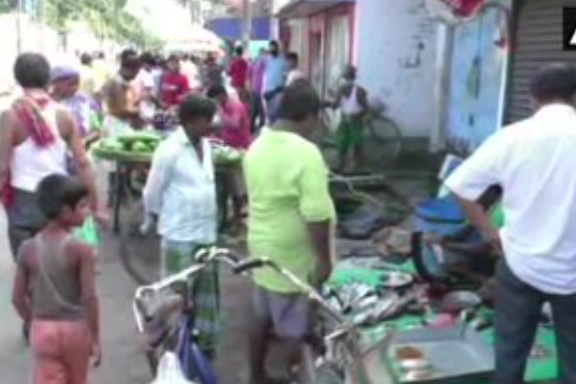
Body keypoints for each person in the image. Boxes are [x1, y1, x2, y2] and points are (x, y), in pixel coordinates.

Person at [446, 63, 576, 384]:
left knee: (509, 355)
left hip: (519, 263)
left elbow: (459, 187)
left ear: (533, 99)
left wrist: (489, 232)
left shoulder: (511, 138)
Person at [244, 79, 335, 384]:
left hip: (259, 250)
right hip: (293, 258)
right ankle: (293, 376)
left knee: (261, 317)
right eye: (315, 120)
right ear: (308, 115)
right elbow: (317, 215)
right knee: (298, 329)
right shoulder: (306, 153)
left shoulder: (257, 145)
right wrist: (323, 259)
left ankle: (256, 375)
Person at [0, 53, 104, 262]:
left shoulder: (10, 117)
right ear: (48, 79)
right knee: (58, 262)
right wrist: (95, 203)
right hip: (58, 198)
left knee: (27, 264)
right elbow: (82, 163)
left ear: (18, 78)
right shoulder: (64, 115)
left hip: (23, 202)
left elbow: (2, 168)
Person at [142, 95, 220, 358]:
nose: (211, 124)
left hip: (206, 234)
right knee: (176, 295)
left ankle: (202, 345)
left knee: (206, 295)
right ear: (190, 121)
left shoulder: (207, 145)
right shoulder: (169, 149)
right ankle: (170, 346)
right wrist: (152, 217)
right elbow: (153, 191)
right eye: (206, 120)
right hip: (179, 233)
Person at [12, 174, 101, 384]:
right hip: (75, 329)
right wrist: (95, 338)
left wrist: (34, 321)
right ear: (66, 212)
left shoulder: (27, 249)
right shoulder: (81, 249)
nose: (87, 211)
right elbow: (89, 297)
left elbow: (17, 299)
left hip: (42, 330)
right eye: (82, 206)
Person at [207, 84, 252, 231]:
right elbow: (223, 126)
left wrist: (220, 112)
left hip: (240, 150)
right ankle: (232, 218)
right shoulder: (225, 106)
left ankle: (239, 218)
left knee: (238, 188)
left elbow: (234, 123)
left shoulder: (235, 105)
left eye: (215, 100)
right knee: (228, 186)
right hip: (229, 150)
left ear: (221, 96)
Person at [50, 66, 101, 148]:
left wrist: (85, 141)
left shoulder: (86, 103)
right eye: (70, 84)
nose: (75, 87)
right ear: (55, 84)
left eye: (77, 83)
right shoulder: (45, 103)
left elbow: (97, 130)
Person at [99, 49, 144, 137]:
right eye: (135, 73)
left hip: (118, 124)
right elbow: (119, 110)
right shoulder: (117, 83)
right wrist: (137, 113)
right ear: (127, 69)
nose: (135, 76)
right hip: (115, 125)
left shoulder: (120, 82)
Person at [332, 65, 369, 172]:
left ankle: (346, 167)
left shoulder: (347, 90)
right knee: (352, 145)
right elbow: (365, 108)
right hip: (351, 121)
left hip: (352, 121)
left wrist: (331, 104)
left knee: (347, 145)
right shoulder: (359, 91)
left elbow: (335, 105)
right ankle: (354, 168)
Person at [262, 41, 287, 124]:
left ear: (277, 48)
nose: (272, 49)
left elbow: (285, 75)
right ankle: (271, 125)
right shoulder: (266, 60)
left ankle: (275, 125)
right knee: (269, 111)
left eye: (273, 47)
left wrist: (283, 87)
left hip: (278, 90)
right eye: (270, 47)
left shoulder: (282, 60)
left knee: (277, 111)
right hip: (268, 90)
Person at [249, 48, 267, 133]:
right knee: (259, 109)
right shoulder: (263, 61)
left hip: (256, 88)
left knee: (256, 109)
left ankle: (253, 127)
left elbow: (249, 73)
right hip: (259, 89)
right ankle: (257, 127)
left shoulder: (255, 61)